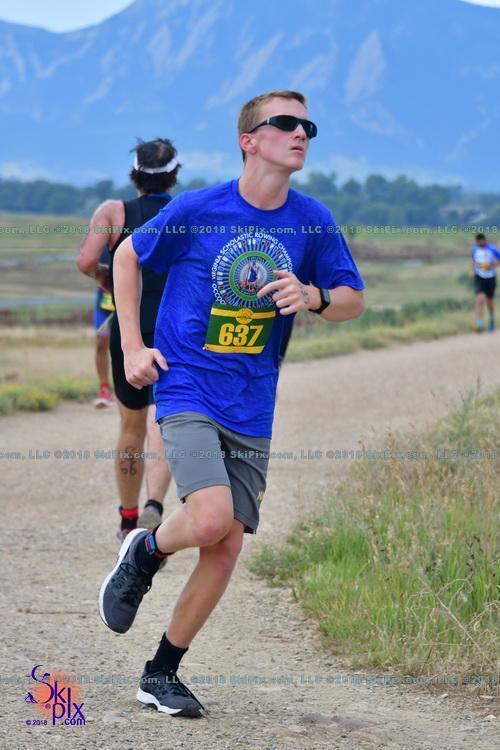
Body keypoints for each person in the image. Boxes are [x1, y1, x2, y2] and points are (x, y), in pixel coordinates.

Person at [98, 90, 365, 717]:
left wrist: (315, 296)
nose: (301, 134)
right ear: (249, 140)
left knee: (225, 549)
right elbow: (127, 255)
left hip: (252, 398)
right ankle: (148, 549)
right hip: (188, 383)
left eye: (308, 126)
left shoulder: (312, 220)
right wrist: (133, 345)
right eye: (286, 123)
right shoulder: (199, 208)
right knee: (211, 517)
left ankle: (160, 672)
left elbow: (352, 299)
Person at [76, 139, 179, 539]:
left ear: (134, 173)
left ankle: (128, 519)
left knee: (131, 426)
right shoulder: (185, 211)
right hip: (175, 329)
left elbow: (86, 260)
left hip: (129, 328)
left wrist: (105, 276)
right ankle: (155, 505)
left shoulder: (113, 211)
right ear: (174, 175)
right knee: (164, 421)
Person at [93, 247, 115, 408]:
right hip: (105, 301)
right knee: (102, 341)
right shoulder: (99, 241)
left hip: (129, 296)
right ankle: (104, 389)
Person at [470, 232, 500, 332]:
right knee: (479, 299)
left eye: (482, 240)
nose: (481, 242)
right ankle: (479, 324)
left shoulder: (492, 249)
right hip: (479, 277)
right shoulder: (474, 250)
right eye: (479, 240)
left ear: (485, 240)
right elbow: (473, 260)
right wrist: (472, 270)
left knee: (489, 300)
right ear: (476, 241)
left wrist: (491, 265)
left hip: (490, 278)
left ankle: (491, 321)